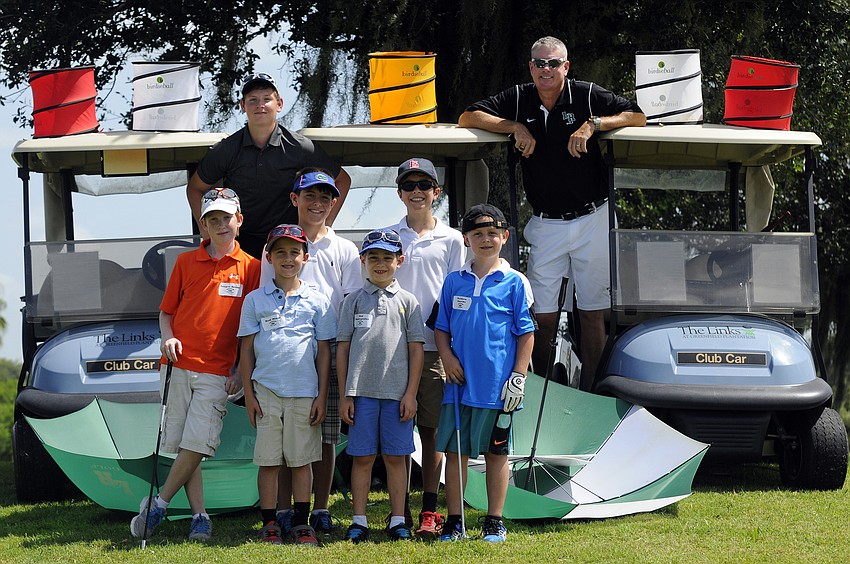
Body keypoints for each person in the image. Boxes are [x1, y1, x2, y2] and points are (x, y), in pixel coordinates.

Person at [458, 36, 646, 391]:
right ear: (531, 67)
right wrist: (513, 126)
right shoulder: (518, 98)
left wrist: (594, 124)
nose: (547, 70)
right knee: (541, 317)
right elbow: (469, 115)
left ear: (566, 67)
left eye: (554, 63)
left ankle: (592, 392)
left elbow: (637, 116)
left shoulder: (587, 94)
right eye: (539, 64)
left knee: (592, 314)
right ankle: (547, 392)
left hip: (594, 218)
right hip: (546, 222)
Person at [130, 188, 261, 542]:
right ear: (203, 225)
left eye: (226, 218)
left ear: (239, 221)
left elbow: (252, 328)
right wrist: (167, 336)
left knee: (199, 441)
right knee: (186, 443)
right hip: (176, 365)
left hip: (219, 371)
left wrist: (239, 370)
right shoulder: (186, 262)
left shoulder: (253, 268)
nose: (221, 225)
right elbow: (166, 312)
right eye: (212, 219)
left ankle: (159, 504)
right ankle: (199, 516)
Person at [434, 204, 535, 543]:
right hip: (459, 386)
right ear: (466, 240)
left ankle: (494, 520)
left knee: (496, 453)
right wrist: (446, 357)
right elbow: (441, 328)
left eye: (493, 233)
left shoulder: (515, 283)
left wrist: (518, 376)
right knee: (455, 452)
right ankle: (454, 521)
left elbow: (526, 333)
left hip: (498, 390)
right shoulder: (453, 281)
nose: (486, 239)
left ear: (505, 237)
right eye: (478, 234)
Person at [274, 169, 362, 537]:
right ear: (295, 199)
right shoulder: (277, 245)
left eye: (325, 197)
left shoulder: (344, 249)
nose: (317, 203)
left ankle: (321, 508)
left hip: (329, 351)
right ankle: (280, 509)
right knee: (284, 436)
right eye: (309, 196)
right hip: (287, 355)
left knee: (324, 435)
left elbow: (353, 304)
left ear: (334, 203)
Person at [238, 224, 337, 545]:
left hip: (305, 394)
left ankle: (301, 522)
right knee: (268, 461)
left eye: (294, 251)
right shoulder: (255, 300)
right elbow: (246, 350)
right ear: (268, 257)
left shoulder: (318, 301)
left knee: (301, 461)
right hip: (265, 392)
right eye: (280, 251)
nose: (288, 258)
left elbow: (324, 352)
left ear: (305, 257)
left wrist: (322, 395)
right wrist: (249, 395)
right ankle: (269, 522)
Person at [186, 72, 352, 258]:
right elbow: (195, 188)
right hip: (239, 246)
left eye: (267, 99)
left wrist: (325, 226)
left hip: (288, 243)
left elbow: (342, 180)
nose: (260, 105)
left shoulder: (300, 147)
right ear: (242, 106)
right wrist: (207, 233)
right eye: (253, 100)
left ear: (279, 104)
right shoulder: (226, 150)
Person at [385, 157, 466, 538]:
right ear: (400, 193)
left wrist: (449, 346)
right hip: (392, 346)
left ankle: (430, 510)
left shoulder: (452, 238)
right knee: (398, 428)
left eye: (424, 185)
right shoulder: (386, 235)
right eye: (409, 185)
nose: (416, 192)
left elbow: (455, 295)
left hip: (435, 347)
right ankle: (398, 512)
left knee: (431, 430)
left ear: (437, 191)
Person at [337, 228, 425, 543]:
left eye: (387, 257)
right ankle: (358, 520)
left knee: (394, 457)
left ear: (399, 261)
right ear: (362, 260)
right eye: (373, 257)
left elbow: (416, 349)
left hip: (397, 395)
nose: (380, 263)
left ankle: (398, 519)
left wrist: (411, 393)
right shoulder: (353, 302)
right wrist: (346, 393)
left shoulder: (409, 302)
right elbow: (343, 348)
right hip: (360, 395)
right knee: (361, 458)